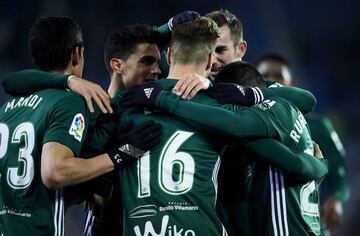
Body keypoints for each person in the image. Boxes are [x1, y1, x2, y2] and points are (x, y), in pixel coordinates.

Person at [116, 17, 330, 235]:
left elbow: (306, 100)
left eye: (222, 49)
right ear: (208, 60)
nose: (217, 60)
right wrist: (321, 165)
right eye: (213, 51)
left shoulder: (135, 99)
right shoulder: (226, 110)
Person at [0, 16, 160, 236]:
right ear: (77, 53)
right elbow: (55, 172)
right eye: (147, 62)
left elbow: (9, 82)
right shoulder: (70, 102)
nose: (157, 70)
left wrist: (88, 188)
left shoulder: (11, 106)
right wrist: (123, 154)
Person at [257, 53, 350, 234]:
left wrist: (337, 199)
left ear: (292, 83)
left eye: (279, 76)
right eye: (265, 76)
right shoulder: (251, 126)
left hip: (310, 226)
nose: (273, 81)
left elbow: (339, 173)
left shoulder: (318, 127)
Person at [205, 9, 247, 81]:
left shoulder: (269, 89)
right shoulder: (192, 89)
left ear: (241, 49)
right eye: (206, 52)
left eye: (220, 50)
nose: (212, 61)